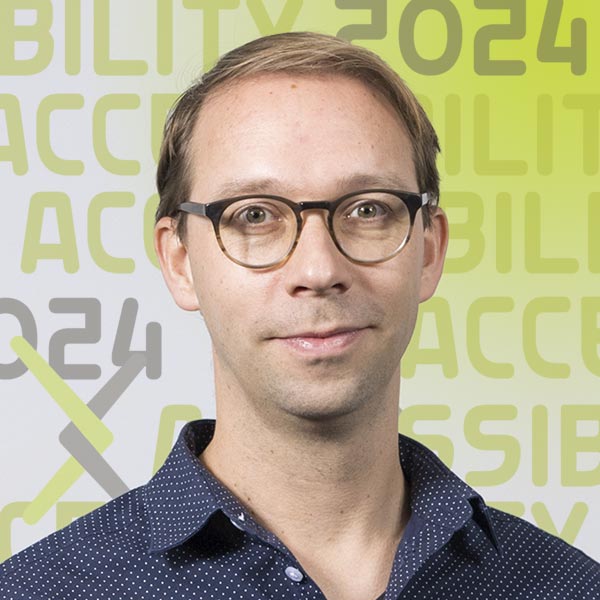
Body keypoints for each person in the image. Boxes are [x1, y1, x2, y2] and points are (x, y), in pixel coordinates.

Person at [1, 31, 598, 600]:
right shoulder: (39, 591)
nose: (317, 269)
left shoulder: (571, 587)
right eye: (254, 216)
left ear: (429, 251)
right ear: (180, 261)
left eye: (368, 209)